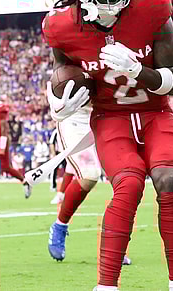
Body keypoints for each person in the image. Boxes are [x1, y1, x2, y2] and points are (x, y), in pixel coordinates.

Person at [42, 0, 173, 291]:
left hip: (156, 112)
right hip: (111, 117)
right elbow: (62, 75)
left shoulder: (152, 5)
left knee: (168, 180)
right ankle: (106, 286)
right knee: (128, 183)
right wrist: (59, 102)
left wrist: (139, 71)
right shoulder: (61, 25)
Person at [45, 107, 133, 267]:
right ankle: (60, 224)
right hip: (77, 116)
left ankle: (116, 246)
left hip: (110, 113)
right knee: (89, 175)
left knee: (127, 178)